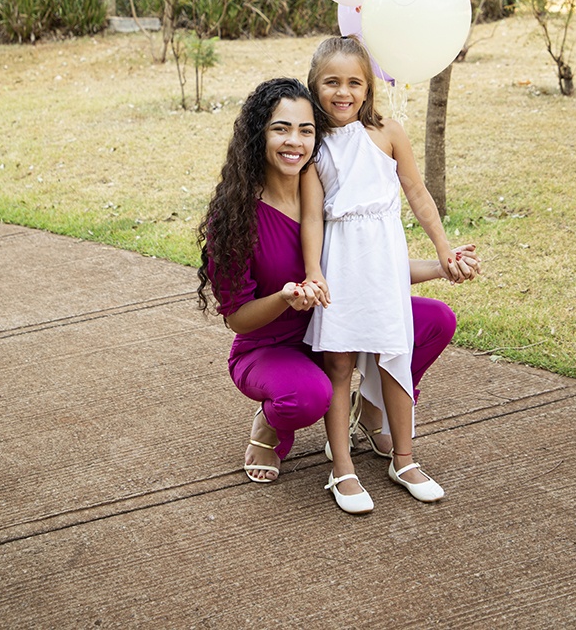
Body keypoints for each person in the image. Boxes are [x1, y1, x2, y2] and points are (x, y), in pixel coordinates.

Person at [301, 35, 479, 514]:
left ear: (369, 87)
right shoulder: (314, 146)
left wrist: (444, 252)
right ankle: (342, 468)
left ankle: (403, 458)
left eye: (354, 82)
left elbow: (418, 195)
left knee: (393, 356)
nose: (343, 92)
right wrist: (315, 271)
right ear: (314, 87)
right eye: (331, 82)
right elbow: (314, 217)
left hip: (381, 261)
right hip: (340, 262)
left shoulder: (388, 132)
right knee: (338, 366)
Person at [197, 77, 333, 483]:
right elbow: (237, 319)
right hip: (267, 348)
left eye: (305, 130)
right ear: (259, 134)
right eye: (281, 128)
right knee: (308, 397)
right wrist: (284, 298)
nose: (295, 141)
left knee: (432, 321)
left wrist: (438, 265)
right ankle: (268, 425)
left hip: (332, 332)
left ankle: (373, 408)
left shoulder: (327, 191)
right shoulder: (235, 216)